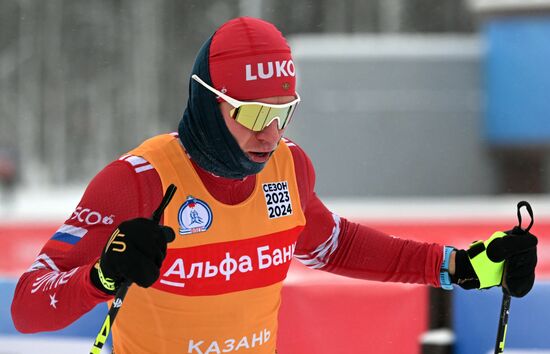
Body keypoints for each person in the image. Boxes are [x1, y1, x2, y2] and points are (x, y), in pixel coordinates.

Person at [11, 17, 538, 354]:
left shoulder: (288, 167)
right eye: (253, 112)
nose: (269, 133)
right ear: (208, 102)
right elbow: (28, 306)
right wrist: (103, 276)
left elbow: (336, 244)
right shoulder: (138, 182)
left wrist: (457, 266)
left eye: (283, 112)